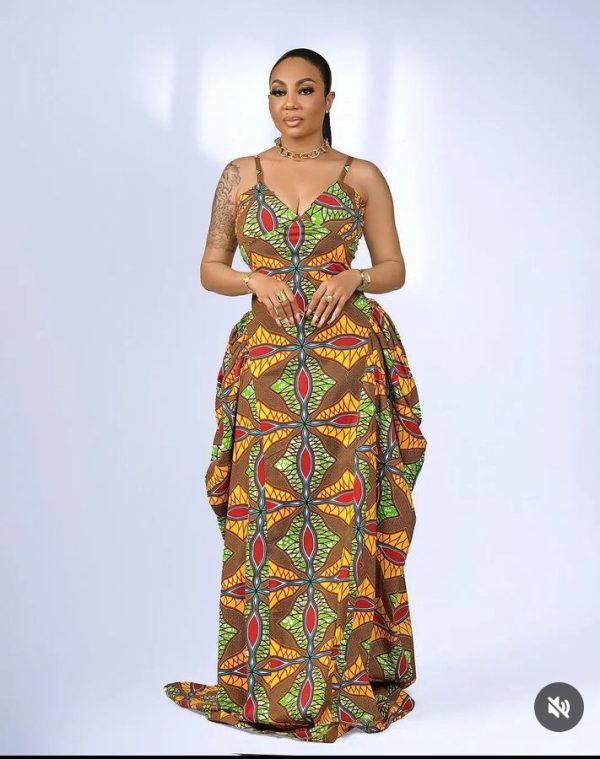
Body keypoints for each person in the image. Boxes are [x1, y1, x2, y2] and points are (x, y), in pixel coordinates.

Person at [164, 47, 428, 744]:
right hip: (268, 367)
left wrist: (355, 277)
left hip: (348, 368)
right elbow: (210, 268)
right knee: (267, 516)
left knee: (344, 519)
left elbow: (395, 266)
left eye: (305, 90)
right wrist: (252, 280)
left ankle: (342, 679)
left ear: (329, 101)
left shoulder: (361, 175)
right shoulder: (240, 175)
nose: (290, 103)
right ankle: (265, 683)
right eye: (278, 90)